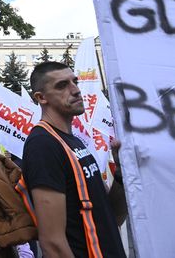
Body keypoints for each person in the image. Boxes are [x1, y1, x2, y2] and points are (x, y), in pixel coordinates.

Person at [19, 61, 127, 257]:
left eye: (74, 82)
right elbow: (52, 243)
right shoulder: (43, 144)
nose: (76, 90)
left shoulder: (75, 142)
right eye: (62, 85)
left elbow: (111, 217)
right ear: (41, 97)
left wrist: (120, 174)